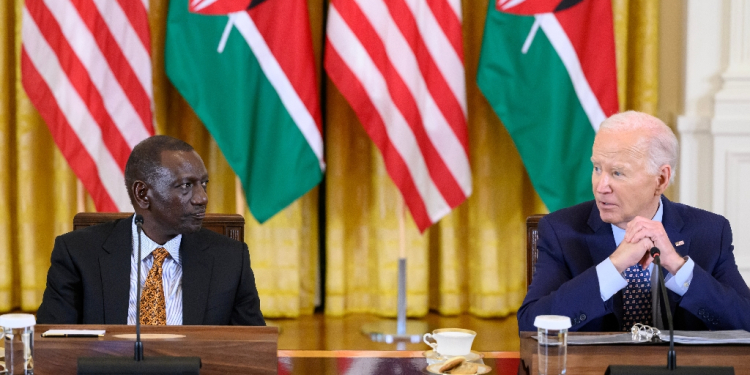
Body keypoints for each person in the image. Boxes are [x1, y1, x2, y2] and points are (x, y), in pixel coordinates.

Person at [518, 111, 750, 332]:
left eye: (617, 173)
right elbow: (531, 324)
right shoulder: (561, 232)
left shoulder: (710, 232)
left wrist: (678, 267)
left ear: (661, 179)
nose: (601, 187)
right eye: (597, 168)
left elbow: (746, 321)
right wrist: (613, 266)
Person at [37, 135, 265, 326]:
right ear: (143, 194)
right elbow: (52, 345)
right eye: (186, 185)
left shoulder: (230, 259)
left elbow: (253, 351)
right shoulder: (77, 254)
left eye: (203, 184)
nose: (202, 198)